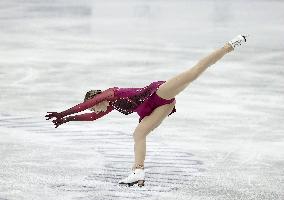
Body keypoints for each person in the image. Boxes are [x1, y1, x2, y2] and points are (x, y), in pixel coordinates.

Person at [45, 34, 249, 187]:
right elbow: (91, 117)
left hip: (158, 94)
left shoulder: (109, 94)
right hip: (154, 109)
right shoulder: (109, 107)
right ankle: (138, 173)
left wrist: (62, 114)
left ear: (94, 98)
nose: (97, 109)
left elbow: (86, 107)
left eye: (95, 104)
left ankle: (229, 46)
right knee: (139, 133)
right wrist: (68, 120)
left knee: (193, 73)